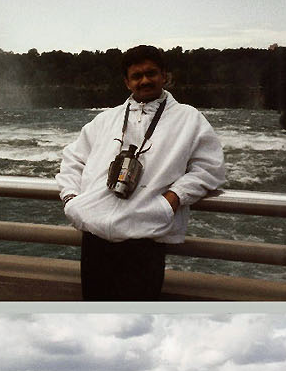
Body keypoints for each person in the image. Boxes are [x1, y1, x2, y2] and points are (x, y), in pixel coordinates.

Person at [57, 44, 226, 300]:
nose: (145, 80)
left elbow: (210, 169)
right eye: (137, 76)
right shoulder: (106, 119)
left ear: (164, 76)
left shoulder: (189, 119)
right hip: (95, 237)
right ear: (127, 82)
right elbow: (73, 159)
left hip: (145, 237)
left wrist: (171, 201)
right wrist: (71, 199)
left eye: (151, 73)